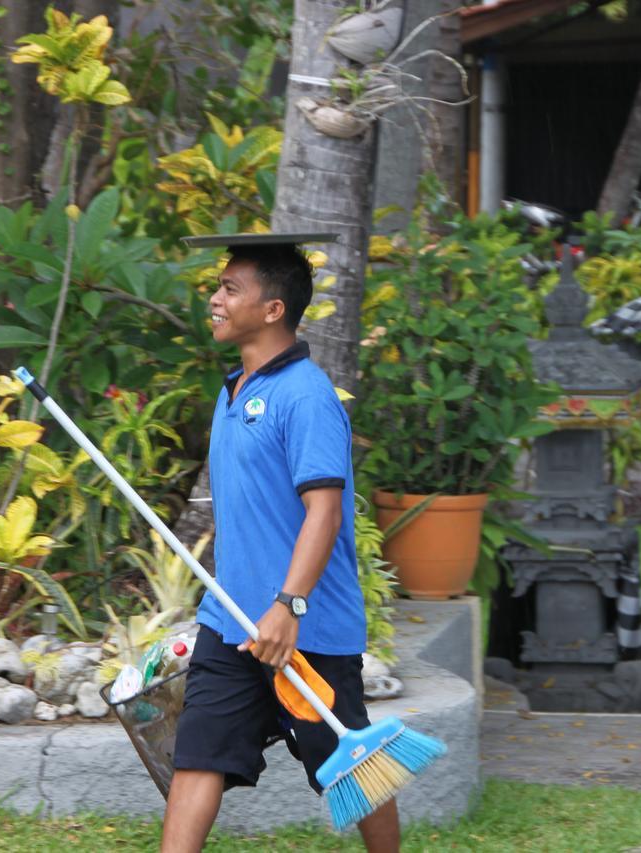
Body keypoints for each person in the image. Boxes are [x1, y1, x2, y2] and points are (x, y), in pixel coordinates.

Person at [161, 237, 399, 852]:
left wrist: (288, 606)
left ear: (272, 309)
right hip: (231, 617)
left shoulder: (307, 396)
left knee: (351, 761)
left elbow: (324, 511)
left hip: (306, 627)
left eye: (230, 288)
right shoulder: (233, 388)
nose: (214, 298)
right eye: (218, 286)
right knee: (199, 757)